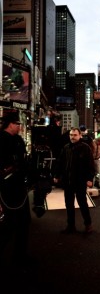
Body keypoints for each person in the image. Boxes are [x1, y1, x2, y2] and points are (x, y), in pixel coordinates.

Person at [0, 112, 32, 268]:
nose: (20, 126)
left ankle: (20, 256)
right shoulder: (1, 139)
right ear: (10, 124)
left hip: (20, 186)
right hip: (7, 188)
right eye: (17, 124)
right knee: (9, 223)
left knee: (24, 222)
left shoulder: (19, 140)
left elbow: (23, 161)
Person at [53, 127, 95, 234]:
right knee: (69, 204)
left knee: (83, 204)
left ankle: (88, 225)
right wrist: (57, 175)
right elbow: (60, 162)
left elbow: (90, 164)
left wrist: (90, 179)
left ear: (80, 135)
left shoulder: (85, 148)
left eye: (75, 135)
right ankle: (71, 226)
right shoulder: (66, 147)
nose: (73, 137)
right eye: (71, 135)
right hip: (68, 181)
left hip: (80, 181)